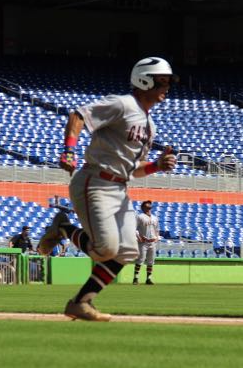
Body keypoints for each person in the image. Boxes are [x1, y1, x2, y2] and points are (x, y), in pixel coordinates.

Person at [38, 57, 177, 321]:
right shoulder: (122, 104)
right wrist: (69, 149)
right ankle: (63, 228)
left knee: (127, 252)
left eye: (168, 82)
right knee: (106, 250)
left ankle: (80, 302)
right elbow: (79, 115)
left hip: (120, 188)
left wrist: (157, 166)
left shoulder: (150, 126)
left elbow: (134, 169)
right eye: (162, 81)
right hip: (95, 181)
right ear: (144, 80)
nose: (166, 87)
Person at [133, 200, 160, 285]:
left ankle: (148, 279)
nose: (149, 205)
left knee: (151, 261)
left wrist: (156, 238)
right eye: (147, 204)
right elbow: (134, 228)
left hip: (152, 242)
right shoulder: (140, 216)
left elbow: (157, 230)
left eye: (150, 204)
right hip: (143, 242)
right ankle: (136, 278)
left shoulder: (155, 217)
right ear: (143, 207)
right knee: (140, 260)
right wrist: (139, 237)